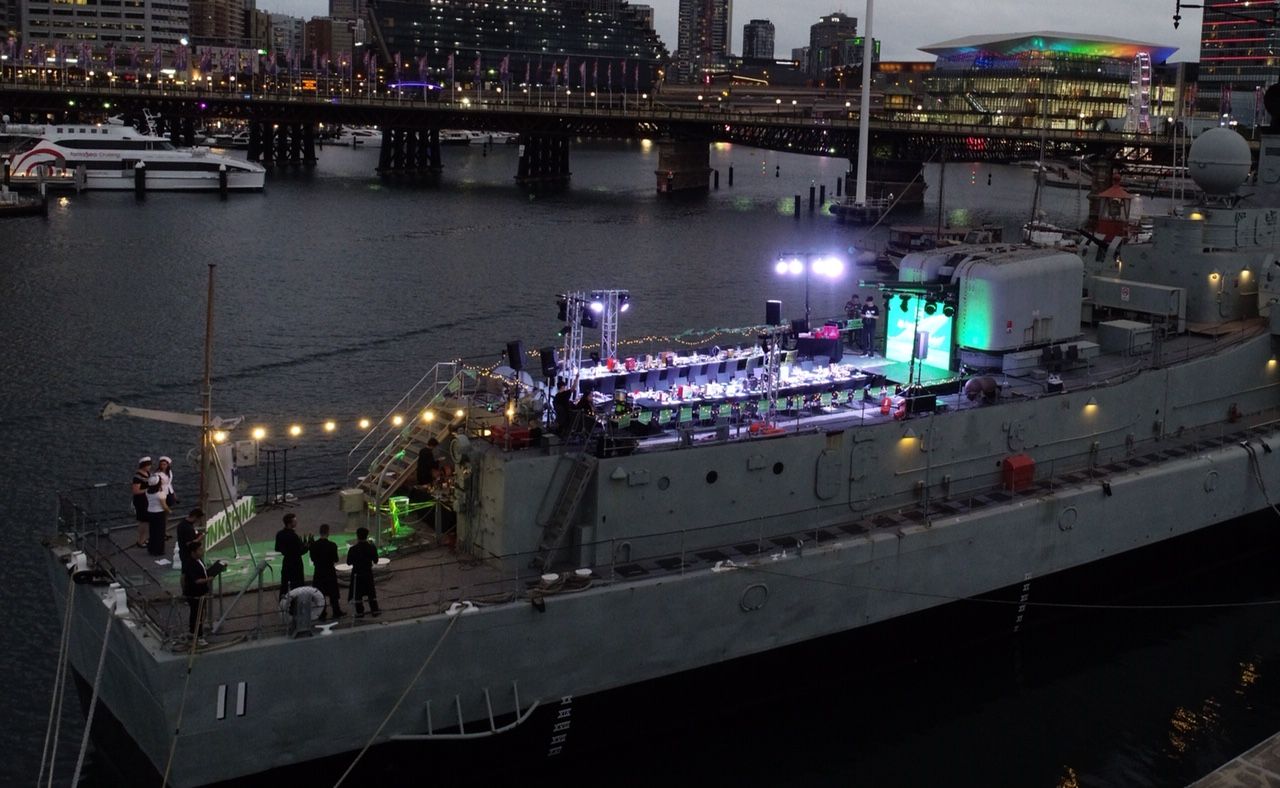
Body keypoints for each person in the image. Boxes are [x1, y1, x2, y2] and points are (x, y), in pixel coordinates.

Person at [181, 542, 223, 645]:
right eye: (200, 550)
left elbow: (203, 573)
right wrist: (209, 579)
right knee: (198, 615)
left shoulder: (199, 560)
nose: (202, 551)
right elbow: (196, 580)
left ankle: (193, 632)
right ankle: (198, 636)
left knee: (196, 614)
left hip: (200, 592)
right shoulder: (190, 564)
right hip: (195, 594)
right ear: (193, 552)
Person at [310, 523, 344, 620]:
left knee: (320, 593)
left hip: (319, 571)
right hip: (329, 571)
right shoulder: (332, 545)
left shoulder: (314, 545)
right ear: (328, 532)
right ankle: (336, 611)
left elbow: (312, 558)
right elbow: (336, 559)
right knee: (333, 593)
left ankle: (322, 613)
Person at [346, 526, 380, 617]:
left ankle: (360, 612)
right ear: (367, 536)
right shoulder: (371, 547)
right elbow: (376, 561)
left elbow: (348, 563)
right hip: (367, 573)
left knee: (357, 594)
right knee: (371, 592)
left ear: (357, 536)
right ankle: (374, 611)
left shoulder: (353, 549)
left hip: (357, 573)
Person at [274, 512, 309, 598]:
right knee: (298, 584)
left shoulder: (280, 534)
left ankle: (282, 602)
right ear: (290, 523)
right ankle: (297, 603)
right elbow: (300, 552)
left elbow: (277, 548)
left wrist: (286, 551)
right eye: (294, 521)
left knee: (284, 584)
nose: (296, 522)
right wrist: (307, 547)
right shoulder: (294, 536)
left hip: (286, 562)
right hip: (296, 564)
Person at [145, 473, 170, 557]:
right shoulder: (160, 494)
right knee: (160, 532)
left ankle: (151, 549)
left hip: (150, 512)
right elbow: (164, 506)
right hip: (159, 514)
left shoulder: (147, 492)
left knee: (152, 532)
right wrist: (169, 511)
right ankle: (158, 550)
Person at [132, 456, 152, 549]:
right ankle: (140, 541)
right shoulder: (137, 477)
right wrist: (148, 489)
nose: (149, 467)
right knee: (143, 521)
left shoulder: (148, 473)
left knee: (146, 521)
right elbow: (135, 491)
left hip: (147, 500)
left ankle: (144, 539)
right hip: (141, 500)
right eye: (148, 465)